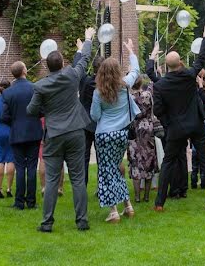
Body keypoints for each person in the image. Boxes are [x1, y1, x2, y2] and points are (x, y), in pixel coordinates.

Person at [27, 27, 95, 233]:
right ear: (63, 64)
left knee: (52, 179)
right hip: (76, 132)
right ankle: (82, 220)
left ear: (47, 67)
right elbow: (84, 59)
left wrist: (45, 110)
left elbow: (31, 110)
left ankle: (47, 223)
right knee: (77, 178)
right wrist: (88, 39)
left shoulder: (40, 86)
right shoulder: (72, 76)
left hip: (55, 134)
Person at [152, 18, 205, 212]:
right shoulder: (190, 75)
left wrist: (168, 123)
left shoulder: (161, 85)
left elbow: (158, 110)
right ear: (180, 62)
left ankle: (159, 203)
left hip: (175, 127)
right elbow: (201, 57)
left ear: (166, 66)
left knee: (168, 162)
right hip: (195, 124)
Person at [90, 39, 141, 222]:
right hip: (122, 133)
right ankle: (127, 205)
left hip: (104, 135)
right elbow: (135, 71)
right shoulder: (125, 84)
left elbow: (94, 116)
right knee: (116, 170)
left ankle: (113, 212)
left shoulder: (98, 92)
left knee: (107, 172)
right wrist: (131, 51)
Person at [146, 47, 189, 199]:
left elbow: (150, 73)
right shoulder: (188, 81)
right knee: (181, 156)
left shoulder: (164, 83)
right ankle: (182, 187)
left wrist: (152, 56)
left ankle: (175, 188)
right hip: (184, 124)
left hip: (170, 124)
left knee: (171, 158)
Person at [1, 61, 43, 210]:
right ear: (25, 70)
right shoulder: (35, 88)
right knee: (32, 167)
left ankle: (19, 202)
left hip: (17, 133)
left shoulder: (8, 93)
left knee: (20, 168)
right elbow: (42, 110)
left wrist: (15, 123)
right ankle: (31, 202)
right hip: (33, 132)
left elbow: (4, 116)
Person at [128, 75, 158, 203]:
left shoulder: (129, 98)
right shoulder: (147, 95)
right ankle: (146, 196)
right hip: (148, 128)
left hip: (134, 129)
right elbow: (152, 86)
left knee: (135, 161)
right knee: (149, 160)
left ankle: (136, 197)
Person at [80, 52, 103, 190]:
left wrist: (81, 52)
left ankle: (82, 186)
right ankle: (101, 188)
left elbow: (79, 68)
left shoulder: (86, 82)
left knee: (84, 157)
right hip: (100, 123)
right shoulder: (105, 84)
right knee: (102, 158)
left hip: (85, 123)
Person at [0, 80, 14, 199]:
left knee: (0, 159)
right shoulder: (12, 100)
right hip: (10, 129)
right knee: (11, 159)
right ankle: (9, 188)